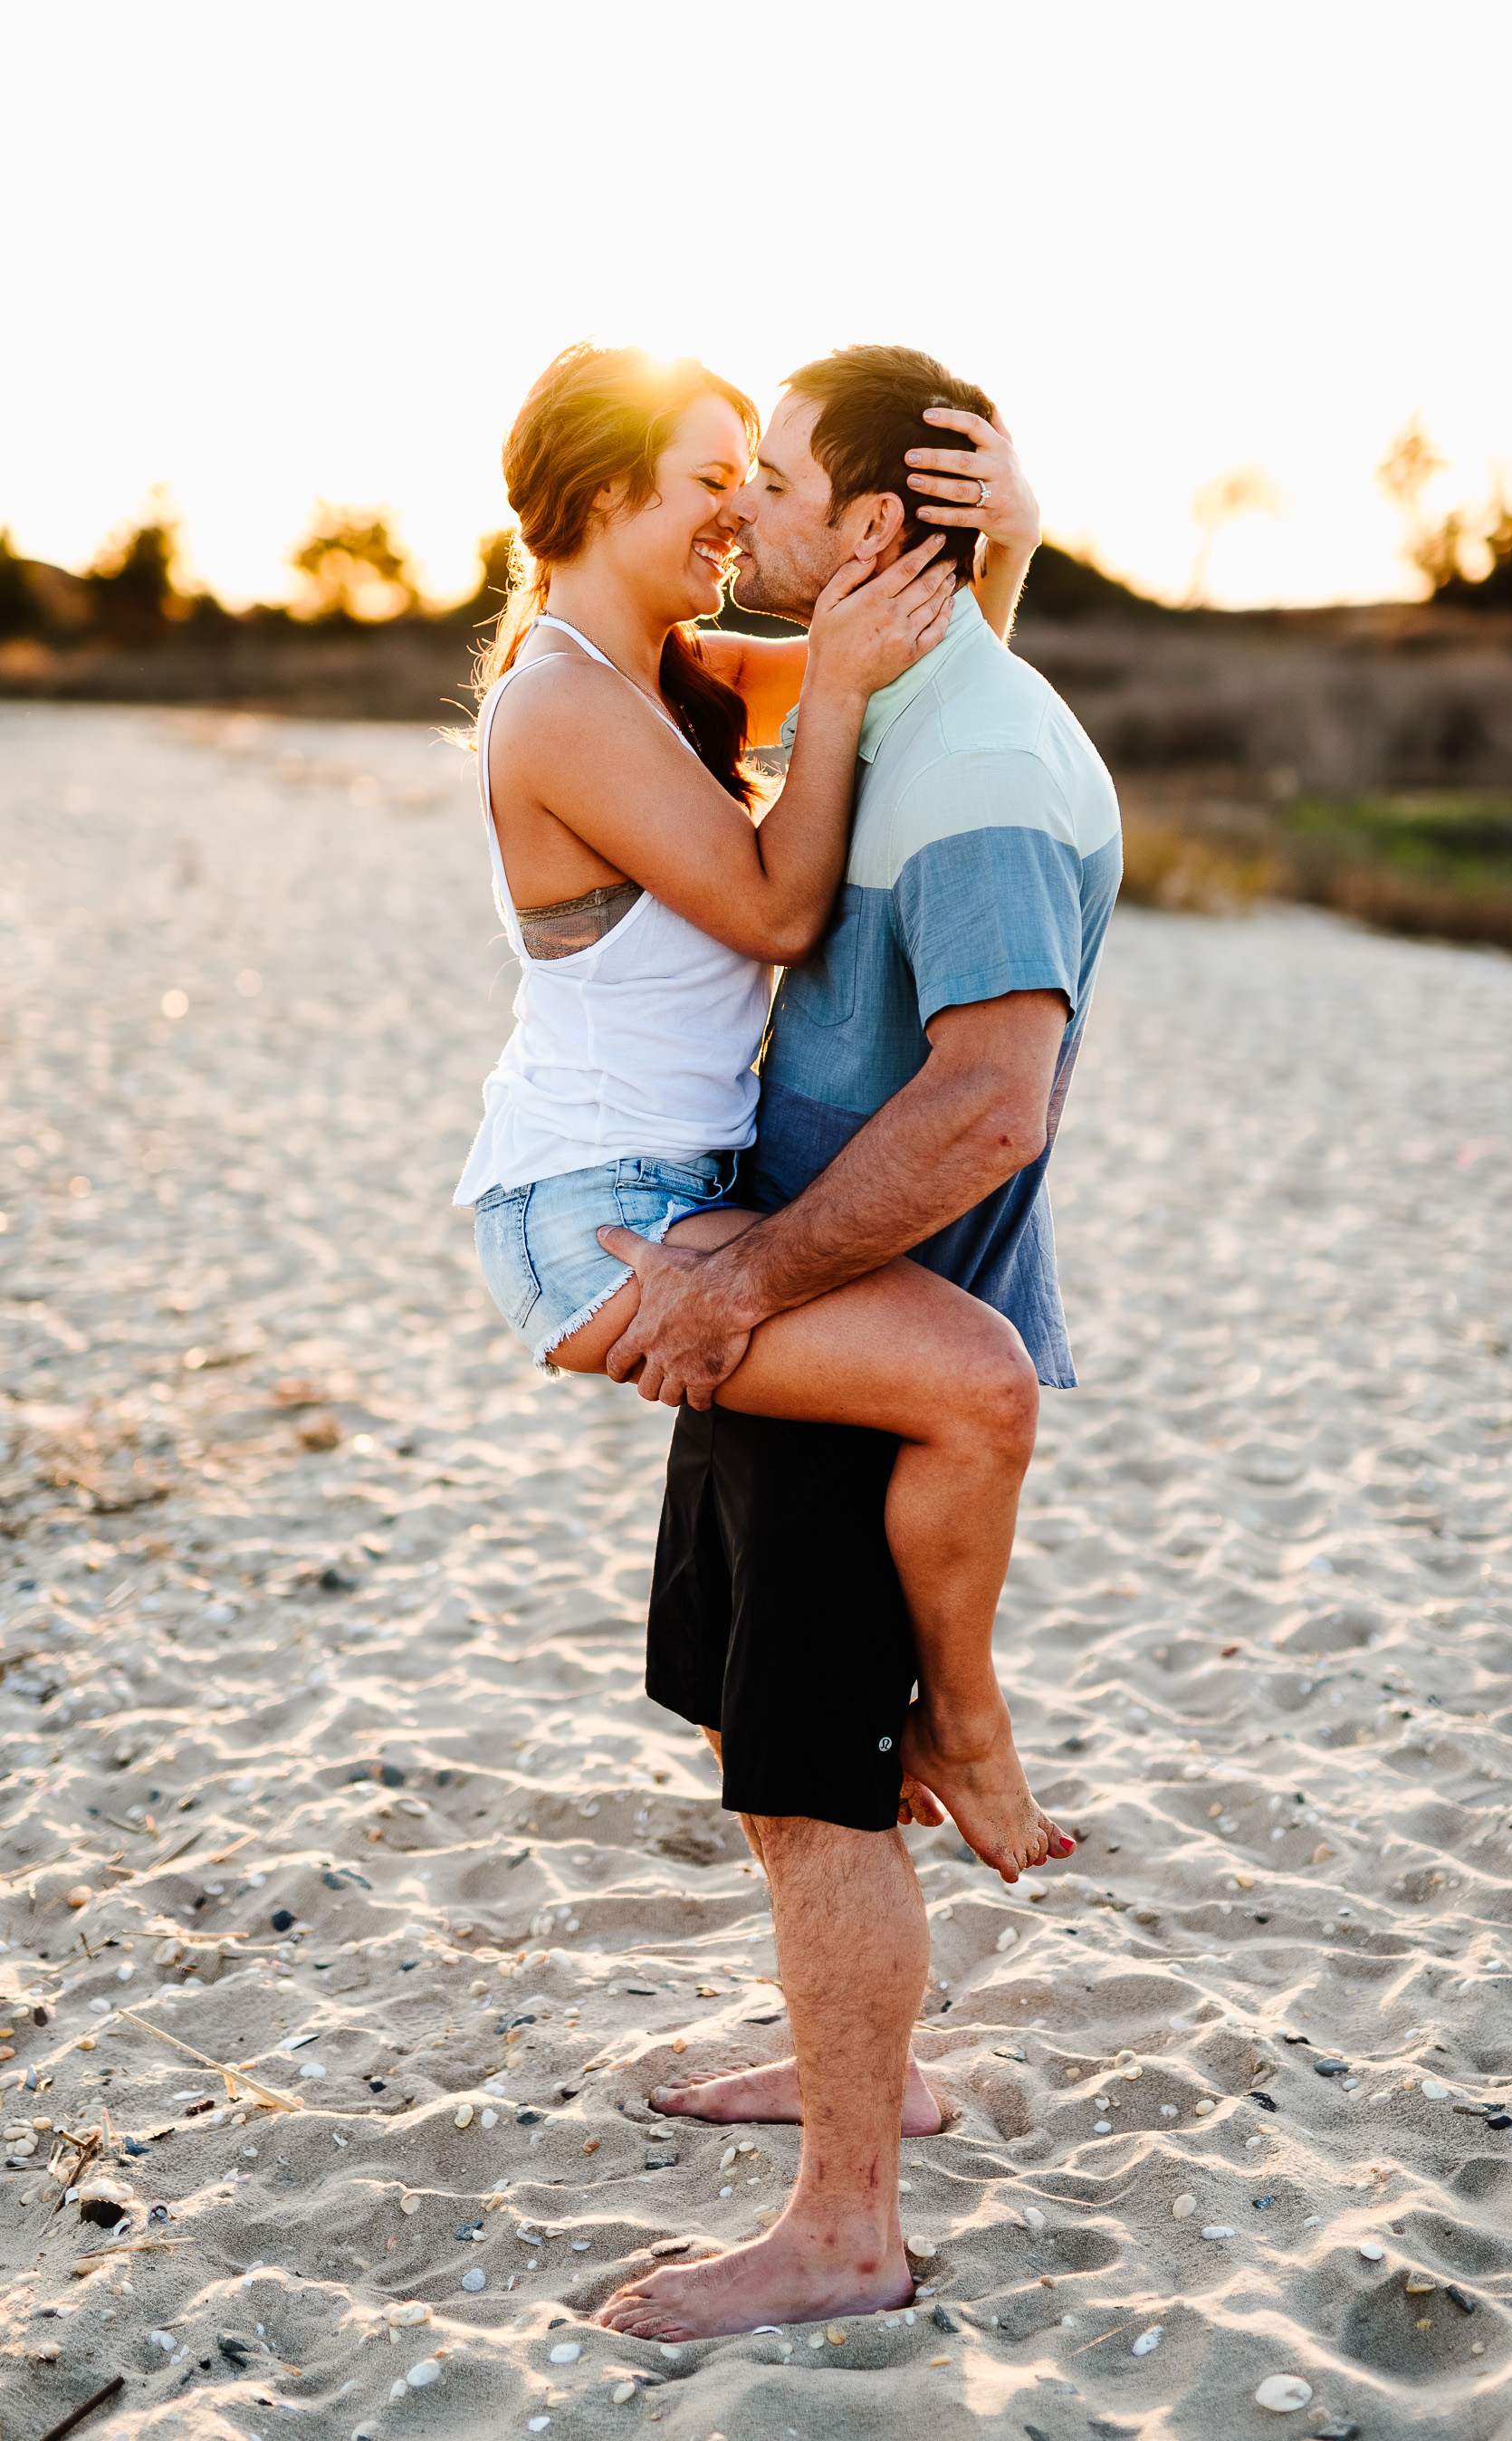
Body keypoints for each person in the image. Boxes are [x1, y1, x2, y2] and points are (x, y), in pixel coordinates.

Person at [592, 344, 1122, 2343]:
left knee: (822, 1781)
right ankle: (867, 2065)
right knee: (763, 1734)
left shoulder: (981, 761)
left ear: (880, 530)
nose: (755, 520)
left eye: (789, 489)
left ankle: (846, 2224)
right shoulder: (903, 679)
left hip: (846, 1310)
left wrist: (757, 1276)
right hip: (792, 1289)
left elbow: (995, 1101)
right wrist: (1009, 562)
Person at [456, 342, 1069, 1883]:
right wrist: (852, 671)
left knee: (946, 1410)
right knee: (976, 1387)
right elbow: (780, 910)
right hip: (596, 1216)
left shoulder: (686, 678)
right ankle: (966, 1724)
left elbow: (920, 680)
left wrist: (1013, 535)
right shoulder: (557, 710)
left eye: (752, 481)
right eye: (708, 484)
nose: (735, 518)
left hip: (687, 1190)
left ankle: (899, 1767)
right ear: (604, 498)